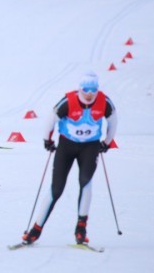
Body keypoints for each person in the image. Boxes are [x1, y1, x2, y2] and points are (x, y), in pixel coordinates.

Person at [22, 71, 118, 245]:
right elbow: (51, 119)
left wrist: (107, 142)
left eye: (93, 90)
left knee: (85, 181)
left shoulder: (104, 101)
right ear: (79, 89)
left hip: (90, 147)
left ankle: (81, 229)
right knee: (56, 189)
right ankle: (35, 230)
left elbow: (113, 120)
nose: (89, 94)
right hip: (67, 146)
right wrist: (47, 140)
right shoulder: (69, 101)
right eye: (85, 90)